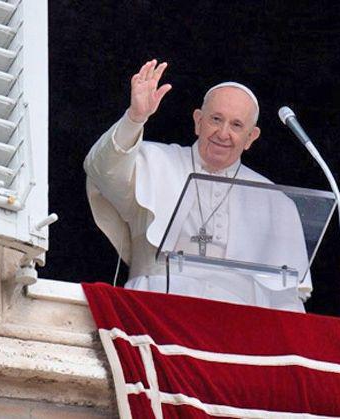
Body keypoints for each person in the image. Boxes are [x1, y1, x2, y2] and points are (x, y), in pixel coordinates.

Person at [84, 59, 311, 312]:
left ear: (251, 137)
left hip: (237, 325)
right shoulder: (153, 161)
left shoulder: (274, 200)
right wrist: (135, 119)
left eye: (236, 125)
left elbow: (287, 297)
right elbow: (102, 170)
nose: (223, 133)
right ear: (198, 121)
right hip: (154, 308)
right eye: (216, 119)